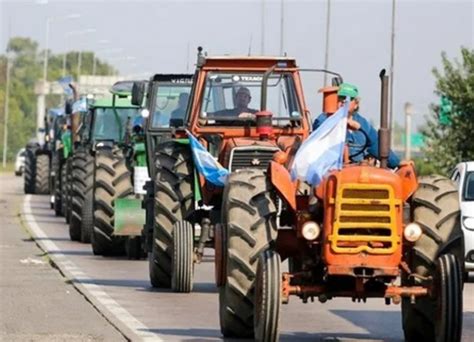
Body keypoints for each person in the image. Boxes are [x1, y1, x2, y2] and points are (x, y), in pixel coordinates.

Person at [313, 83, 400, 169]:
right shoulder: (324, 119)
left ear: (356, 104)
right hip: (329, 172)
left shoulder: (364, 126)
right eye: (340, 98)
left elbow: (379, 148)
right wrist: (342, 123)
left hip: (356, 173)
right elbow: (319, 134)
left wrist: (398, 163)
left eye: (348, 99)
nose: (343, 102)